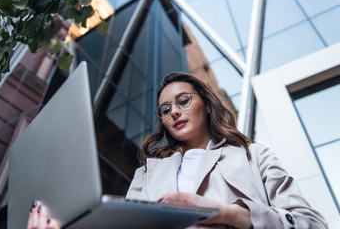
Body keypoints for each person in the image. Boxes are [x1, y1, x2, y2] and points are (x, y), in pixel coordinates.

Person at [28, 72, 327, 229]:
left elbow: (310, 223)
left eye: (183, 101)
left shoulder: (254, 155)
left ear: (207, 105)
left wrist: (230, 214)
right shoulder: (147, 172)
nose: (174, 112)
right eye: (165, 109)